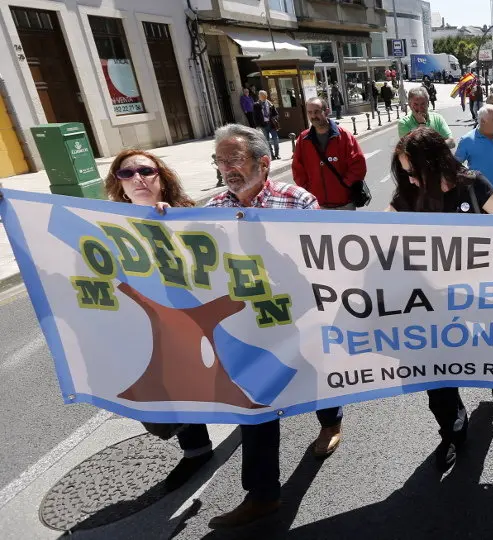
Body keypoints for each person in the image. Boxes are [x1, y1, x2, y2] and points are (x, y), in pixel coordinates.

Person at [205, 124, 345, 528]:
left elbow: (325, 262)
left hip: (299, 318)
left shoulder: (297, 202)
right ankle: (263, 494)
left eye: (235, 159)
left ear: (263, 163)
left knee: (318, 378)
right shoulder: (211, 211)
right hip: (248, 327)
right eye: (220, 160)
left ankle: (331, 421)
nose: (226, 168)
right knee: (255, 404)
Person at [388, 127, 493, 472]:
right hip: (431, 304)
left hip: (481, 298)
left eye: (414, 172)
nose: (411, 180)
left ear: (433, 164)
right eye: (405, 173)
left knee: (486, 350)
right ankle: (452, 427)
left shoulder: (472, 185)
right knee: (435, 375)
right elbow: (375, 238)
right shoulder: (406, 197)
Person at [104, 149, 211, 492]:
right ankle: (196, 449)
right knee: (162, 388)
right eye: (126, 173)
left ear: (161, 178)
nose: (137, 178)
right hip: (142, 322)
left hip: (190, 318)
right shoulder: (104, 222)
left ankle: (249, 422)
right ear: (118, 185)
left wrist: (173, 222)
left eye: (146, 170)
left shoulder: (185, 215)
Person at [292, 97, 368, 209]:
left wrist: (344, 184)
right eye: (310, 112)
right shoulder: (303, 139)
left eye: (317, 112)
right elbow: (297, 169)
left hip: (344, 204)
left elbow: (358, 165)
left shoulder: (344, 136)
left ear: (326, 111)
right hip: (317, 205)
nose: (313, 116)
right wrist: (309, 189)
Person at [253, 90, 280, 160]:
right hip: (263, 125)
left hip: (271, 124)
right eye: (260, 96)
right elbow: (255, 116)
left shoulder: (270, 104)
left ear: (265, 96)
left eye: (263, 96)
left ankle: (277, 154)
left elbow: (276, 114)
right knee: (267, 141)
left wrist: (274, 118)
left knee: (276, 140)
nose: (261, 97)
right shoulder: (256, 105)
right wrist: (257, 125)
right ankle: (272, 155)